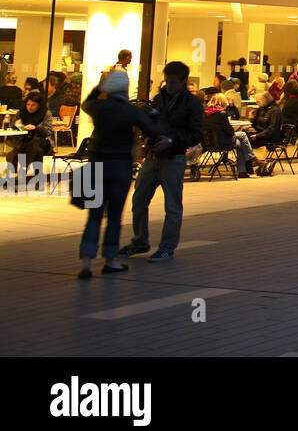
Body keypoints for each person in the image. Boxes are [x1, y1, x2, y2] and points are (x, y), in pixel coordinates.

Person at [79, 70, 164, 278]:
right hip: (120, 164)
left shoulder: (97, 107)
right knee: (114, 216)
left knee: (94, 215)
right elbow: (154, 130)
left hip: (97, 163)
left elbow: (86, 103)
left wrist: (100, 87)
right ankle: (110, 259)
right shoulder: (131, 111)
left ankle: (87, 263)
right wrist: (154, 115)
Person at [119, 60, 204, 264]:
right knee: (139, 199)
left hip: (173, 158)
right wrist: (148, 137)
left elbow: (195, 134)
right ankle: (140, 240)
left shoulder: (191, 104)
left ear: (183, 81)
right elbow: (150, 123)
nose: (169, 86)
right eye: (167, 82)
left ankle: (167, 247)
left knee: (172, 205)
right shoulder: (159, 99)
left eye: (173, 82)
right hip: (153, 156)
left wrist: (172, 140)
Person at [203, 92, 259, 178]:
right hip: (222, 142)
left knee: (241, 142)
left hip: (210, 143)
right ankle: (250, 161)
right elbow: (230, 132)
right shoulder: (222, 114)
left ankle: (244, 170)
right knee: (243, 136)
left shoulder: (206, 113)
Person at [5, 92, 54, 179]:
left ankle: (22, 172)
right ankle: (29, 174)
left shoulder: (46, 114)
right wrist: (17, 125)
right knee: (33, 149)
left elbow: (47, 132)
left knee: (35, 144)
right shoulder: (21, 112)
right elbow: (12, 128)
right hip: (24, 140)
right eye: (28, 104)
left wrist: (35, 127)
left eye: (33, 105)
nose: (29, 107)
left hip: (42, 141)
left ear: (39, 105)